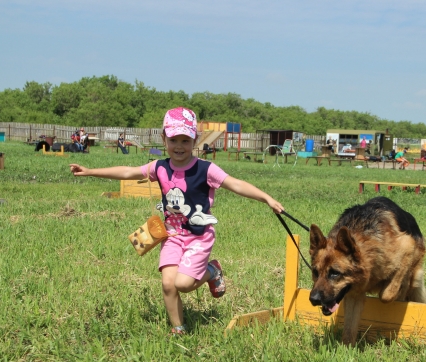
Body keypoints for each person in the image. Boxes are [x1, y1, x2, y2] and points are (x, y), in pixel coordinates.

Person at [69, 107, 284, 336]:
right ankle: (178, 328)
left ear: (195, 140)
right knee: (168, 284)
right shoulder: (160, 167)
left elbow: (236, 184)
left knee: (183, 284)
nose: (179, 146)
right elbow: (128, 172)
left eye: (185, 140)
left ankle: (212, 271)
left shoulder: (206, 169)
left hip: (198, 237)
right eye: (173, 140)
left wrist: (266, 198)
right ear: (164, 138)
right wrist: (90, 171)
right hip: (171, 236)